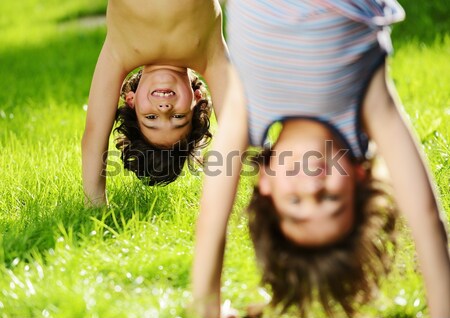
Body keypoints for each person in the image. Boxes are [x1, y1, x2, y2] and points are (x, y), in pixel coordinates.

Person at [192, 0, 450, 317]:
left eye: (296, 203)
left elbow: (211, 223)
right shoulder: (365, 104)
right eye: (329, 198)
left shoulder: (246, 111)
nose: (312, 188)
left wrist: (207, 311)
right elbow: (425, 217)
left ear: (266, 182)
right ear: (359, 176)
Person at [81, 0, 247, 206]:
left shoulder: (120, 53)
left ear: (131, 101)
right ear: (197, 98)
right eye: (178, 117)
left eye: (151, 118)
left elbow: (95, 131)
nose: (164, 109)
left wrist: (95, 206)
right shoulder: (210, 56)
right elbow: (235, 129)